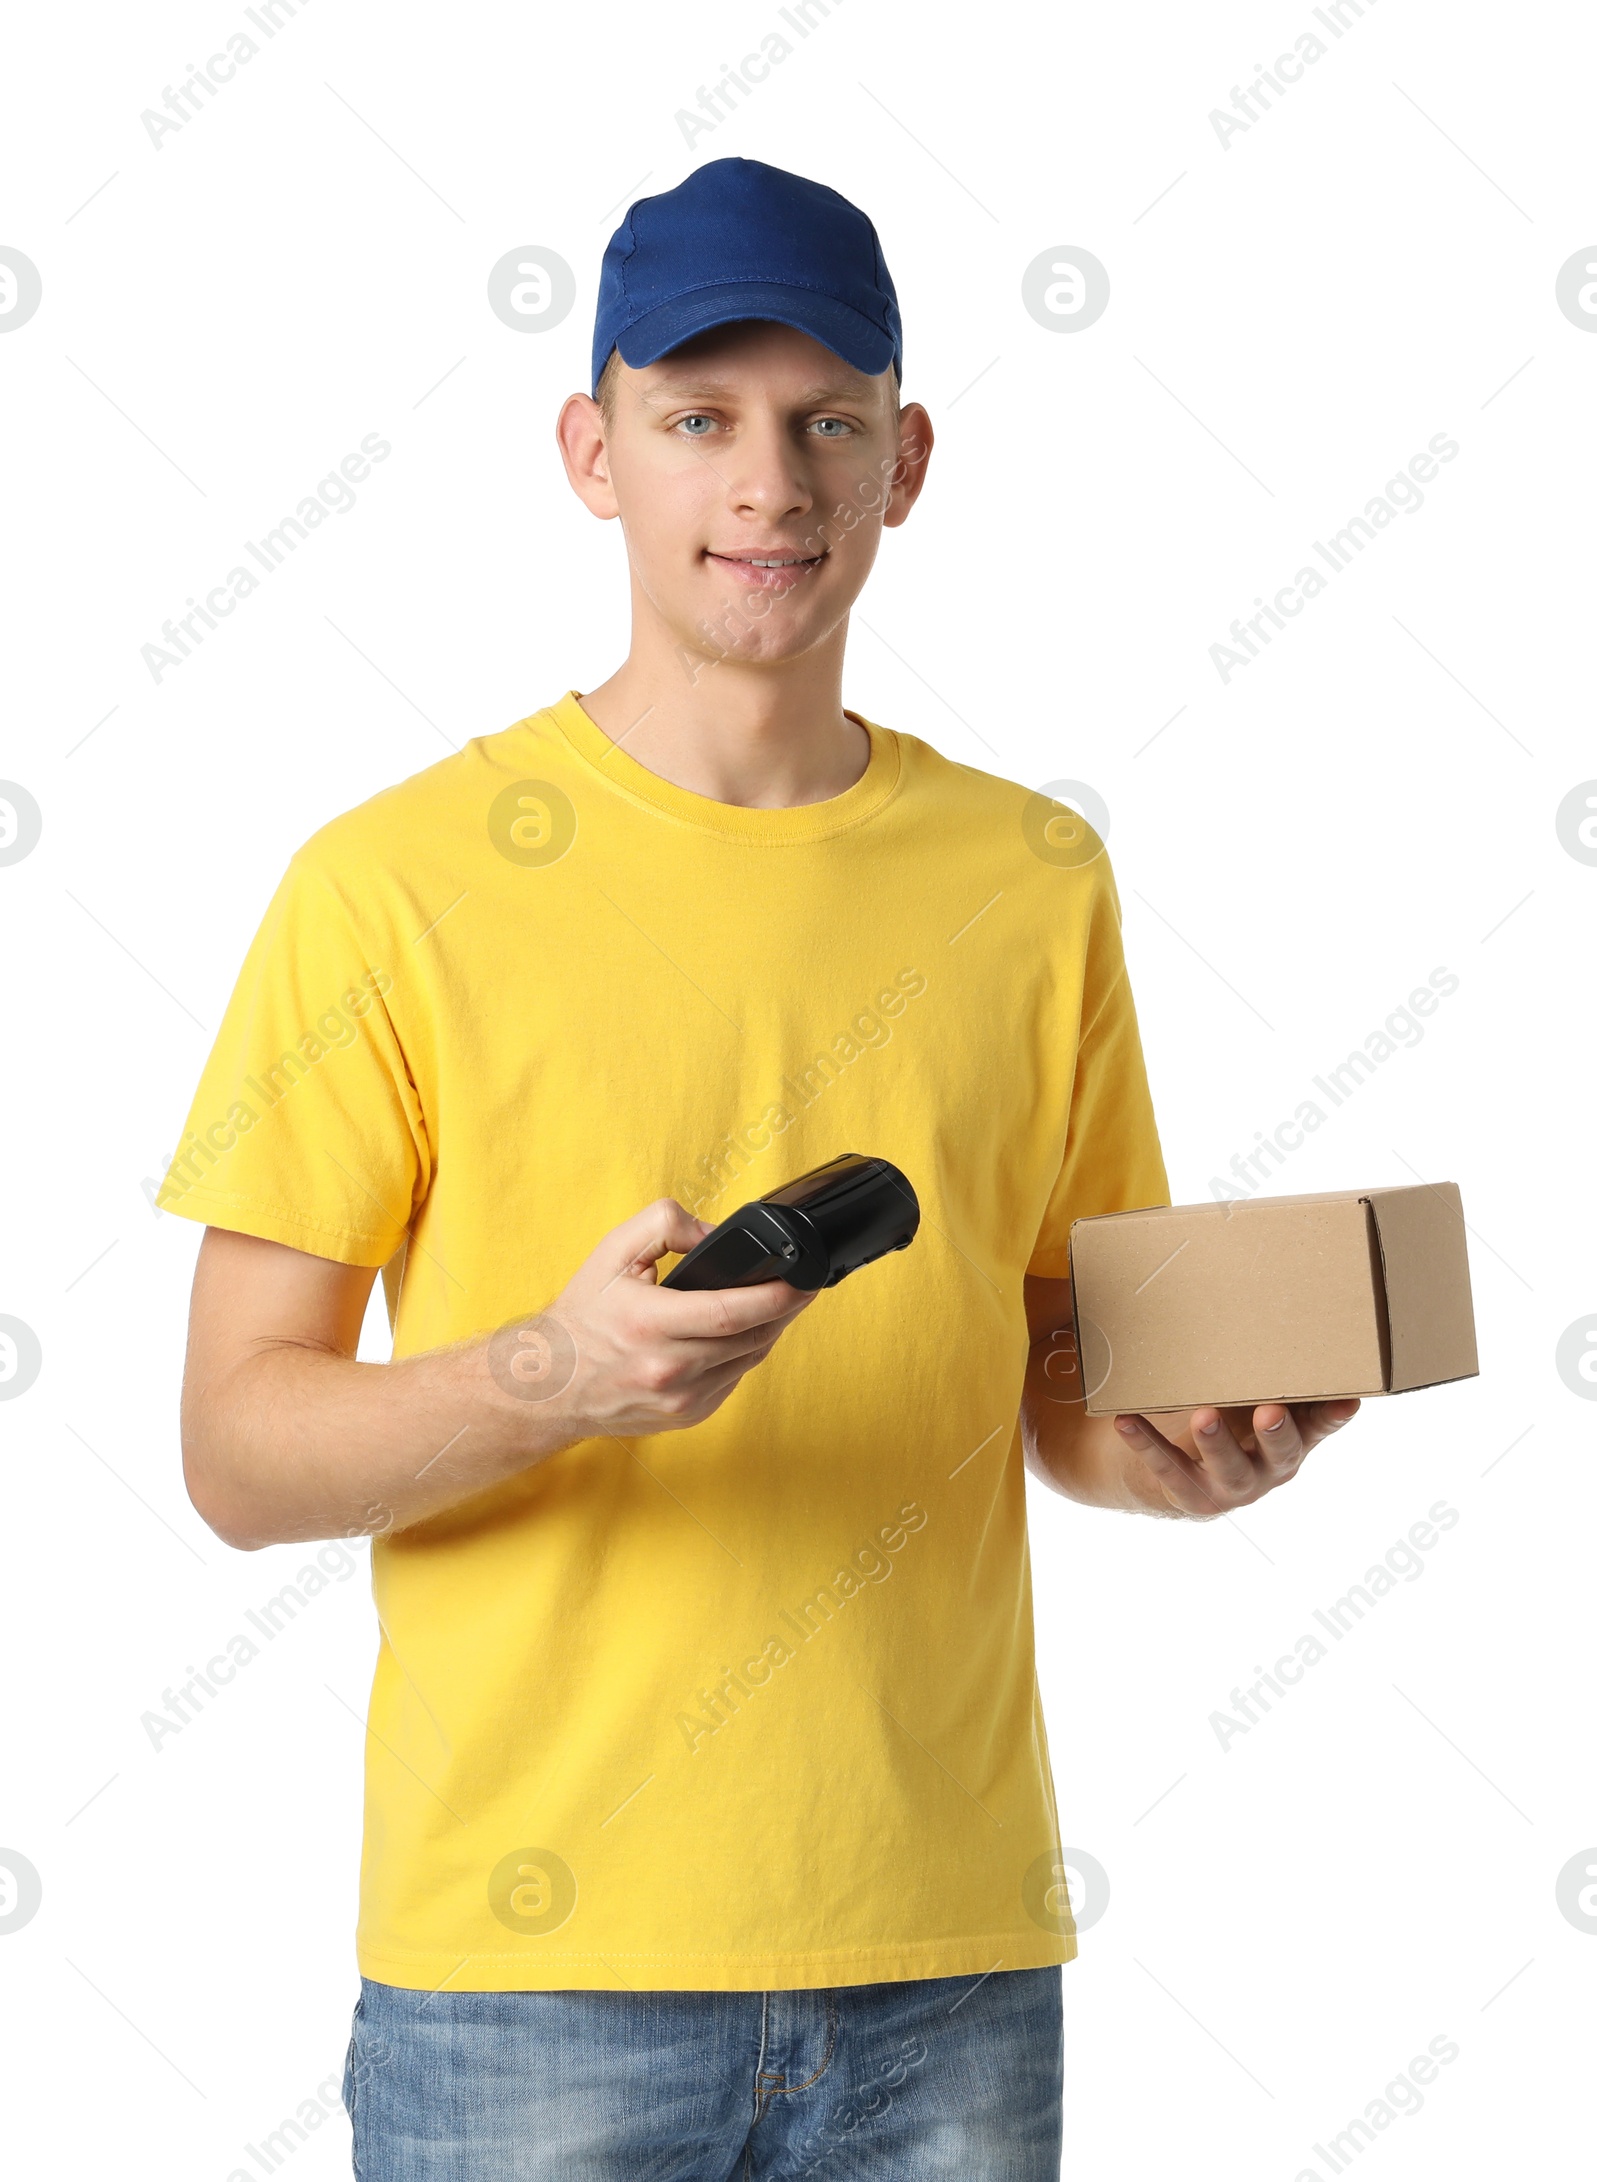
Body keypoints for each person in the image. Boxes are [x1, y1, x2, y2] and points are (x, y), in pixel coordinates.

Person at [159, 157, 1358, 2179]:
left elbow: (1056, 1365)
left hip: (946, 1957)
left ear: (905, 460)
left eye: (825, 419)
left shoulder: (1028, 876)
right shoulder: (390, 887)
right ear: (590, 452)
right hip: (530, 1978)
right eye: (696, 416)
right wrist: (552, 1370)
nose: (766, 480)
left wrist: (1180, 1451)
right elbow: (230, 1446)